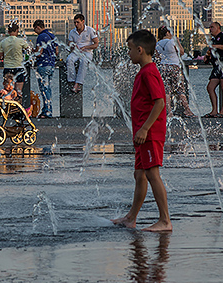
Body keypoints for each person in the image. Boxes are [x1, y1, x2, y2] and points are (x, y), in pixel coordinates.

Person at [112, 29, 172, 233]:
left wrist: (145, 128)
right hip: (142, 133)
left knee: (152, 174)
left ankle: (165, 220)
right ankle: (131, 217)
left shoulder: (149, 72)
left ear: (140, 50)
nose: (128, 53)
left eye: (129, 49)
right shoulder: (143, 71)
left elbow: (160, 103)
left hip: (149, 133)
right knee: (139, 175)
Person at [156, 26, 194, 118]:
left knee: (166, 91)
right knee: (180, 89)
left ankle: (169, 112)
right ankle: (187, 110)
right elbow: (181, 52)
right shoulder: (172, 41)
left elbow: (157, 57)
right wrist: (178, 41)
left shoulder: (158, 44)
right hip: (174, 67)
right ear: (167, 33)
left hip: (163, 67)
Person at [203, 21, 223, 118]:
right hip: (217, 66)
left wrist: (216, 47)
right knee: (210, 87)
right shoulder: (212, 41)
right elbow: (209, 54)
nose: (210, 29)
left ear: (218, 28)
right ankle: (214, 110)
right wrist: (207, 56)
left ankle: (222, 112)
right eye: (209, 27)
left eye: (212, 27)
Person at [67, 14, 99, 93]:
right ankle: (72, 81)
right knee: (69, 60)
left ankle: (78, 84)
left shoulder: (90, 30)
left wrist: (86, 47)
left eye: (78, 22)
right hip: (76, 52)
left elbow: (96, 44)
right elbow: (69, 43)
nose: (76, 24)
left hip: (87, 52)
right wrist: (72, 46)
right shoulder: (72, 32)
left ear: (83, 22)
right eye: (75, 23)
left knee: (84, 61)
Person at [33, 20, 58, 118]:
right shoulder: (52, 36)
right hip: (51, 65)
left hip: (43, 65)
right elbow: (56, 52)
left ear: (38, 27)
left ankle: (48, 112)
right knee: (48, 89)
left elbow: (39, 53)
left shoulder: (41, 37)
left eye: (35, 30)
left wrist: (32, 51)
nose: (36, 32)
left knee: (44, 89)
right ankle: (46, 110)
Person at [0, 22, 30, 97]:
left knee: (7, 92)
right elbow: (29, 50)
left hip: (7, 68)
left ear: (8, 31)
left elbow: (0, 57)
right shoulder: (20, 41)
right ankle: (18, 107)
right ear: (17, 31)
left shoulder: (3, 42)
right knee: (18, 92)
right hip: (19, 67)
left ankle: (8, 107)